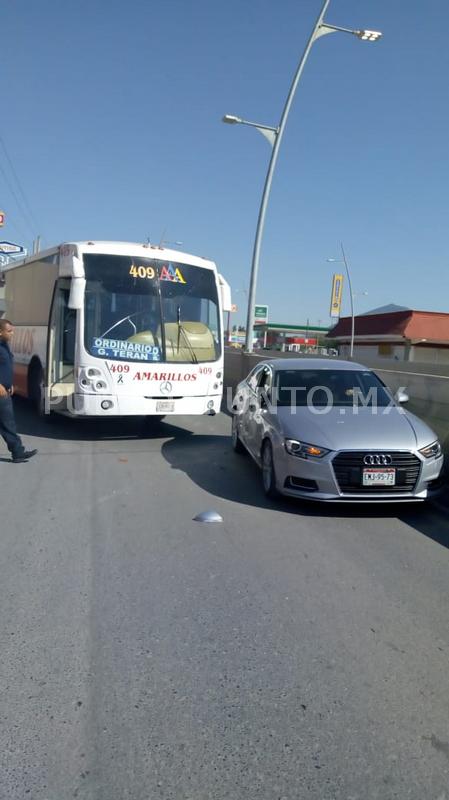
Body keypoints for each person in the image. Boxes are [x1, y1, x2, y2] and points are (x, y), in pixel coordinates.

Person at [0, 319, 37, 463]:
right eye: (9, 331)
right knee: (8, 424)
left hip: (5, 392)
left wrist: (10, 385)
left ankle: (18, 452)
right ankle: (18, 452)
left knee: (7, 424)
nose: (12, 333)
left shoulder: (4, 346)